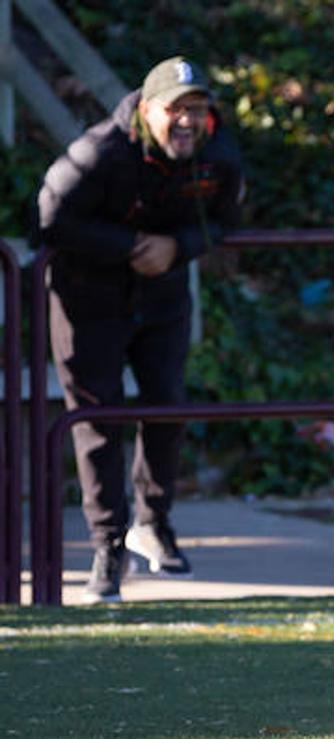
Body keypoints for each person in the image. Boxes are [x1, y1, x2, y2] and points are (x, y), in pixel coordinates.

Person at [35, 56, 244, 602]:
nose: (187, 122)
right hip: (88, 299)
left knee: (168, 406)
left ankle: (153, 523)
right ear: (146, 110)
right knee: (99, 420)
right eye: (176, 109)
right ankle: (108, 546)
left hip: (163, 297)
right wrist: (128, 248)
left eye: (197, 110)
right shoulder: (102, 150)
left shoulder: (218, 154)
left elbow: (228, 218)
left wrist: (181, 247)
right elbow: (51, 212)